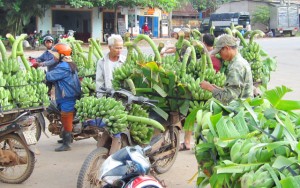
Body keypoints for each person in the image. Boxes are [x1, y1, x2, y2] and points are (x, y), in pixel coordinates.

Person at [46, 43, 81, 152]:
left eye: (55, 55)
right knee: (64, 117)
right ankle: (67, 137)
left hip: (68, 97)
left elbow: (49, 76)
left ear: (62, 55)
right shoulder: (69, 64)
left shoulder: (63, 67)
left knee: (66, 118)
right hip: (67, 96)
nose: (54, 57)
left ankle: (67, 144)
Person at [200, 34, 253, 105]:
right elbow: (237, 90)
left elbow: (229, 98)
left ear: (227, 48)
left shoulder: (236, 67)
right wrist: (218, 89)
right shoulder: (241, 61)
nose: (220, 55)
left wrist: (210, 88)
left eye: (220, 52)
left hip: (241, 107)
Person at [96, 34, 126, 155]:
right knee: (108, 124)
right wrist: (100, 99)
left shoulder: (125, 61)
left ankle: (118, 147)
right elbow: (99, 82)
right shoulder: (102, 62)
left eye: (121, 48)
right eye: (117, 48)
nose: (119, 50)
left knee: (119, 124)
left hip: (123, 99)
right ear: (109, 47)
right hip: (108, 99)